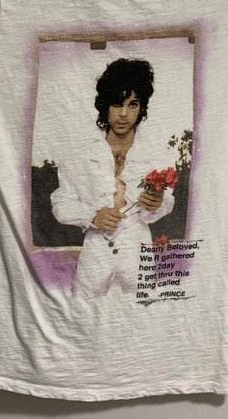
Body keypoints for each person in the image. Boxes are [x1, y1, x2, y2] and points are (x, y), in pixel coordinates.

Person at [50, 58, 175, 298]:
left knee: (146, 310)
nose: (124, 114)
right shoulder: (80, 153)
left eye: (133, 104)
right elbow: (61, 204)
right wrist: (92, 215)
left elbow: (166, 202)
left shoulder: (155, 152)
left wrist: (158, 203)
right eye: (117, 104)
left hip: (137, 246)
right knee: (81, 309)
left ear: (141, 107)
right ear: (105, 105)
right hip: (95, 249)